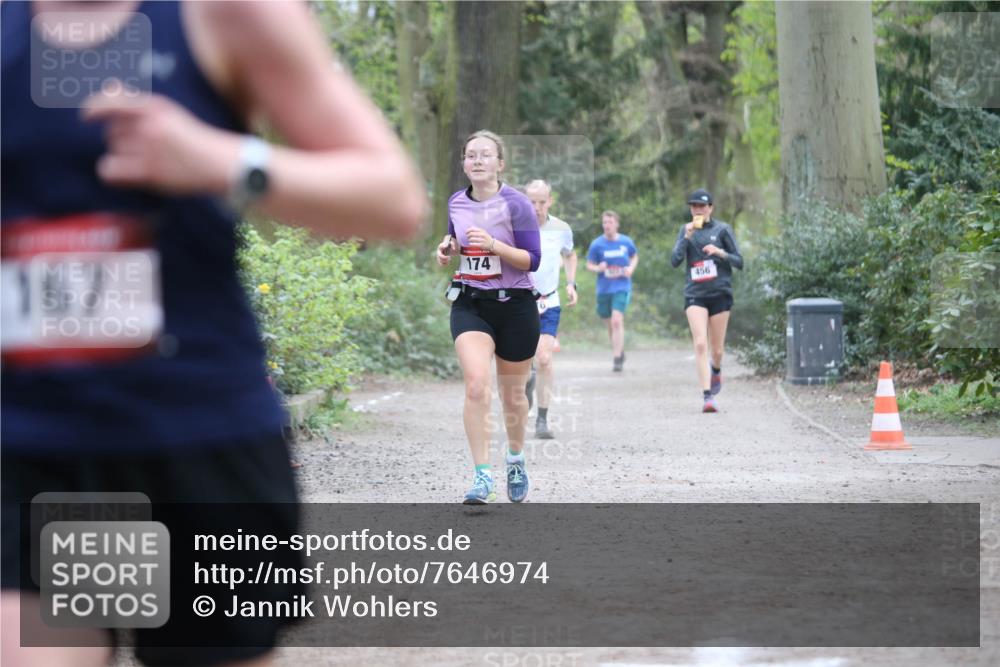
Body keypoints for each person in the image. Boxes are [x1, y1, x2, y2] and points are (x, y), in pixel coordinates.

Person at [1, 2, 426, 666]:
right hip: (42, 443)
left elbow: (393, 198)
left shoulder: (223, 13)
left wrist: (220, 159)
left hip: (195, 437)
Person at [436, 130, 540, 505]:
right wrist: (448, 248)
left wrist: (495, 246)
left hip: (516, 305)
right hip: (471, 303)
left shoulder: (518, 205)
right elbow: (457, 240)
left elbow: (533, 260)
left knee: (513, 396)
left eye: (485, 155)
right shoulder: (456, 202)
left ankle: (515, 458)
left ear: (500, 163)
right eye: (470, 155)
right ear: (464, 164)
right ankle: (482, 478)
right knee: (477, 384)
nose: (477, 160)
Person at [670, 189, 744, 413]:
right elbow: (674, 261)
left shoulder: (723, 229)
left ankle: (717, 370)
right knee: (700, 343)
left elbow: (739, 261)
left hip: (720, 293)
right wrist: (686, 238)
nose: (698, 210)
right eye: (694, 206)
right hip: (695, 294)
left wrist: (720, 253)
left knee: (717, 350)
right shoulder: (686, 230)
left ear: (710, 208)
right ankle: (707, 396)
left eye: (702, 206)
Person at [522, 180, 577, 439]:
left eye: (542, 202)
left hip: (549, 301)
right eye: (531, 202)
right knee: (523, 366)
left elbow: (570, 254)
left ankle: (542, 420)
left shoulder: (561, 229)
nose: (537, 207)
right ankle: (527, 380)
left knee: (544, 358)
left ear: (550, 201)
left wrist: (571, 284)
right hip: (519, 303)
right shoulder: (514, 227)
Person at [585, 210, 638, 372]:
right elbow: (589, 264)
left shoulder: (626, 242)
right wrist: (597, 268)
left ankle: (616, 359)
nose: (607, 225)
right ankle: (619, 350)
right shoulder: (597, 244)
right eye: (604, 222)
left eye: (610, 222)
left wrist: (630, 268)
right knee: (610, 324)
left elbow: (634, 256)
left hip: (621, 286)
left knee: (616, 320)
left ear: (617, 224)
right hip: (604, 289)